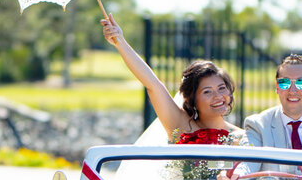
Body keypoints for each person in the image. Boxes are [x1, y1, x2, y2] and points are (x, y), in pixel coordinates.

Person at [101, 14, 246, 145]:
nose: (218, 96)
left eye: (222, 88)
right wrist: (120, 42)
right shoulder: (180, 125)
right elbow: (153, 85)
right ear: (192, 99)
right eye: (207, 92)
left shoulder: (244, 138)